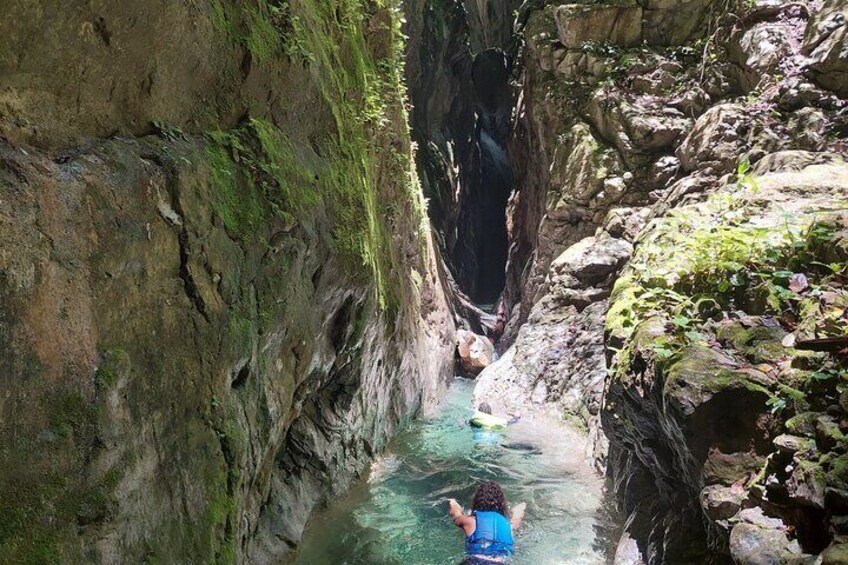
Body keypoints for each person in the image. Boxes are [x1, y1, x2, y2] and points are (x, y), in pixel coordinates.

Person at [448, 481, 527, 564]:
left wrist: (453, 502)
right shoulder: (509, 524)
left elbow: (456, 514)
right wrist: (522, 506)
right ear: (502, 503)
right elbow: (518, 516)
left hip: (474, 562)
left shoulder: (470, 521)